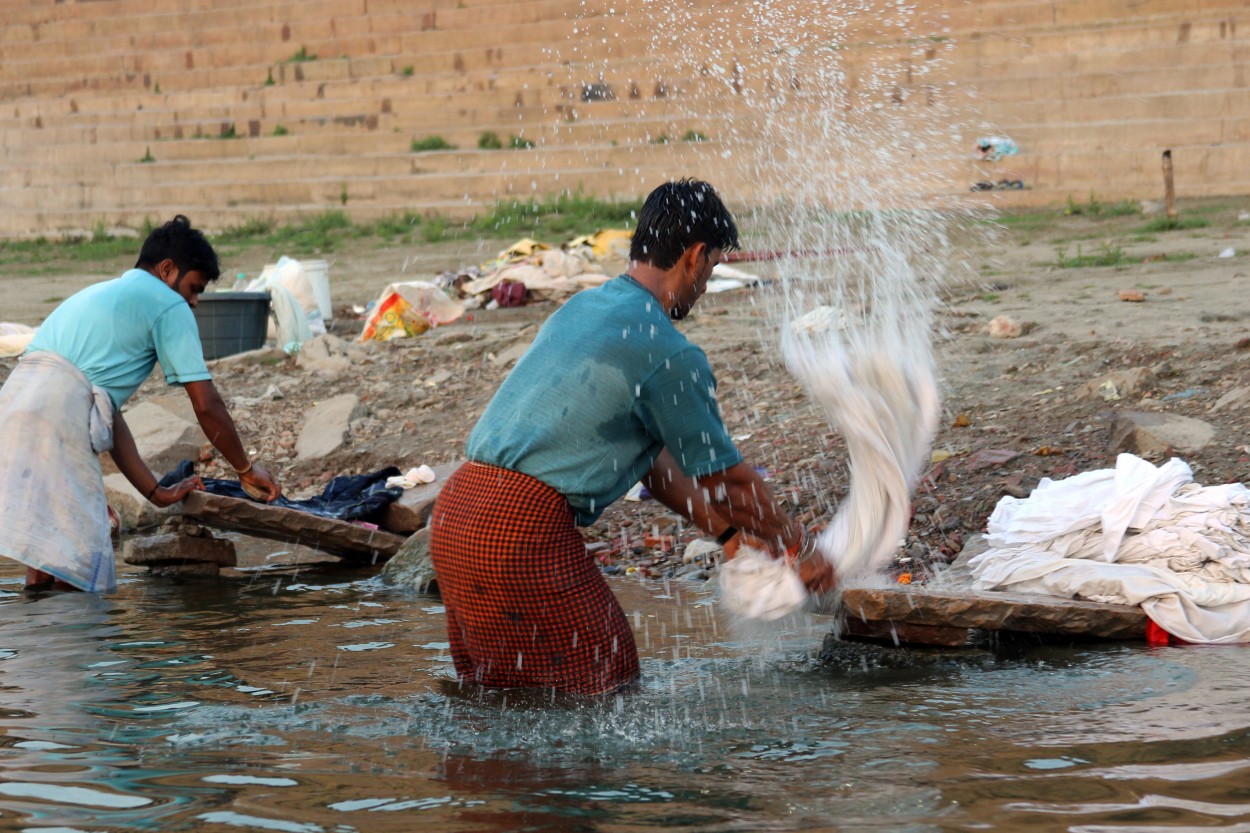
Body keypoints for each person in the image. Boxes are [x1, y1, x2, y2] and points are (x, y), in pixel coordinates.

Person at [429, 179, 835, 696]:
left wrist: (732, 538)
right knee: (605, 688)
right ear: (694, 257)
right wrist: (798, 546)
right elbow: (729, 483)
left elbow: (654, 463)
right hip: (518, 535)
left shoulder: (582, 309)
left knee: (505, 696)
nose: (707, 285)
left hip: (455, 519)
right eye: (710, 268)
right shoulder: (668, 350)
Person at [0, 215, 282, 593]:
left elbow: (106, 415)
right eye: (194, 289)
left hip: (14, 404)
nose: (195, 302)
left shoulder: (100, 294)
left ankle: (42, 644)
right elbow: (206, 404)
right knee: (79, 571)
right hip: (55, 417)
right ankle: (69, 647)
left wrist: (155, 492)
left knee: (47, 561)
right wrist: (246, 468)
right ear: (167, 270)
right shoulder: (168, 304)